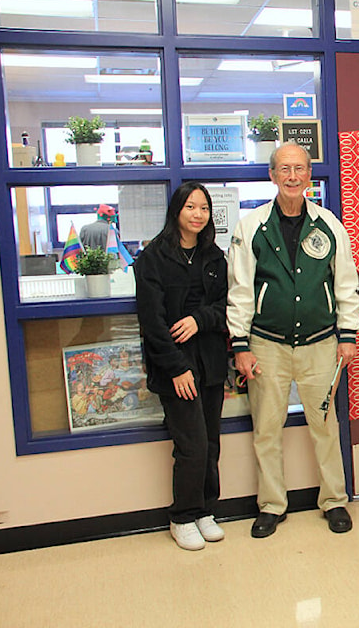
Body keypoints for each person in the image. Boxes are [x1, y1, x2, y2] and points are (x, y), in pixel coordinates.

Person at [227, 142, 359, 538]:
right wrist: (240, 344)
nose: (292, 176)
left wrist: (348, 335)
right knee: (267, 428)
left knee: (325, 425)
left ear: (308, 175)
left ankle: (334, 501)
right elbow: (240, 289)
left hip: (321, 343)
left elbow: (346, 284)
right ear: (272, 175)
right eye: (284, 169)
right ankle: (271, 505)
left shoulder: (328, 224)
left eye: (299, 169)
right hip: (266, 344)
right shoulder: (250, 226)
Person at [134, 182, 229, 551]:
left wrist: (198, 319)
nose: (197, 214)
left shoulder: (214, 256)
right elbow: (152, 323)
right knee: (191, 446)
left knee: (210, 443)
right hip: (175, 366)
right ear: (177, 211)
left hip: (210, 362)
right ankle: (182, 516)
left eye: (203, 208)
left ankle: (206, 509)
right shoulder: (153, 258)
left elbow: (224, 306)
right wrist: (176, 368)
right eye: (191, 207)